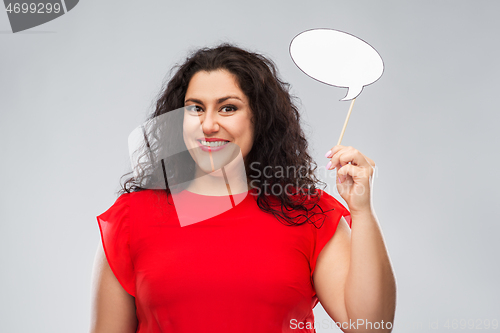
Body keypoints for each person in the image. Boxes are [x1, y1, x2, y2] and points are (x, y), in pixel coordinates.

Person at [89, 44, 396, 333]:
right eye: (196, 108)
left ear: (258, 118)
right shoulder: (131, 218)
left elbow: (369, 326)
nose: (208, 125)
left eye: (227, 109)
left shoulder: (309, 213)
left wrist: (362, 211)